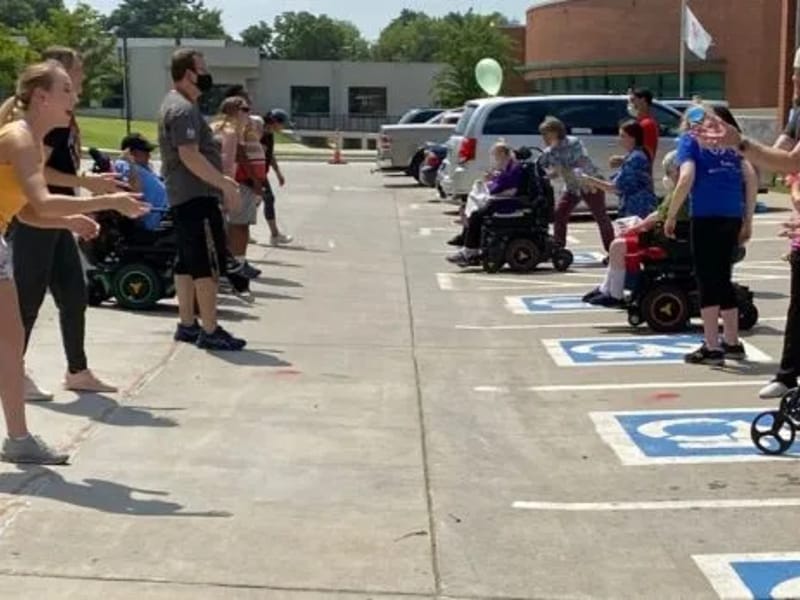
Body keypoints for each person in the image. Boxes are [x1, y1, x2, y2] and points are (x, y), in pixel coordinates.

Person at [0, 61, 148, 463]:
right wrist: (108, 200)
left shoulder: (31, 139)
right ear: (42, 97)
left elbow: (26, 210)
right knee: (7, 347)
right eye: (67, 89)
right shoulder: (21, 137)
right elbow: (43, 201)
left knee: (9, 347)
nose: (75, 97)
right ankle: (18, 439)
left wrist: (68, 220)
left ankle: (18, 440)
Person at [10, 47, 123, 400]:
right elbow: (38, 189)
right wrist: (100, 197)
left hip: (48, 216)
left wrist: (73, 214)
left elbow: (33, 203)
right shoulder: (26, 130)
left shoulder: (49, 126)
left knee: (72, 294)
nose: (82, 84)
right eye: (73, 79)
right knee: (24, 302)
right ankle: (15, 374)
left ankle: (74, 371)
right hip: (42, 214)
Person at [697, 47, 800, 395]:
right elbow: (775, 160)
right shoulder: (797, 113)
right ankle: (787, 376)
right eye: (794, 73)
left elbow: (788, 163)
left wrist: (738, 141)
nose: (794, 80)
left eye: (799, 74)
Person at [158, 48, 246, 351]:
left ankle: (187, 323)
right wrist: (224, 184)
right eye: (202, 69)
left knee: (186, 261)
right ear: (188, 73)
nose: (206, 74)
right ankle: (209, 328)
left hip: (185, 195)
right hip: (195, 196)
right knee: (204, 264)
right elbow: (189, 155)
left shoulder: (179, 105)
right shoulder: (182, 109)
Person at [665, 105, 758, 366]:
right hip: (731, 215)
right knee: (724, 277)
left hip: (706, 215)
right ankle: (732, 341)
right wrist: (747, 219)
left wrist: (671, 214)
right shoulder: (730, 142)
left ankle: (712, 345)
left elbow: (686, 177)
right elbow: (750, 178)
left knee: (706, 278)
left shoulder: (689, 141)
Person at [584, 150, 689, 307]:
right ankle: (606, 289)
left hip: (670, 241)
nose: (667, 176)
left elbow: (657, 217)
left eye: (669, 171)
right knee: (619, 242)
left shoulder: (681, 193)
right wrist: (638, 226)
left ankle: (615, 294)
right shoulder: (677, 191)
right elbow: (657, 214)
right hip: (668, 237)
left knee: (618, 245)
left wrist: (636, 228)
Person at [539, 116, 615, 252]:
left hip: (589, 183)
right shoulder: (549, 151)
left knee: (601, 216)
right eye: (543, 134)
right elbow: (550, 169)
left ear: (556, 131)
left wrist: (559, 166)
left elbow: (578, 162)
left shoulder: (573, 142)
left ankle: (612, 250)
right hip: (572, 187)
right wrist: (546, 175)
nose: (544, 137)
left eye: (546, 133)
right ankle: (559, 248)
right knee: (560, 214)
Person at [446, 141, 524, 267]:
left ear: (503, 153)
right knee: (471, 208)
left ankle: (469, 250)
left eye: (496, 154)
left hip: (507, 202)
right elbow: (499, 181)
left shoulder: (514, 168)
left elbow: (506, 186)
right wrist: (492, 178)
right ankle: (466, 240)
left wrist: (493, 181)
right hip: (501, 197)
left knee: (477, 214)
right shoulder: (507, 166)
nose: (494, 158)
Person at [222, 85, 265, 278]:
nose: (249, 108)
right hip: (242, 180)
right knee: (238, 225)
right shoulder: (231, 129)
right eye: (244, 106)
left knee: (243, 224)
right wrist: (254, 179)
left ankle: (238, 262)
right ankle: (235, 266)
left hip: (247, 180)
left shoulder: (245, 125)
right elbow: (238, 154)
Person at [580, 120, 658, 220]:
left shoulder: (635, 158)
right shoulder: (636, 155)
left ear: (632, 138)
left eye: (623, 136)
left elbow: (614, 188)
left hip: (638, 211)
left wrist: (589, 180)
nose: (619, 139)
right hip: (638, 209)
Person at [113, 133, 169, 231]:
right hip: (158, 215)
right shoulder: (124, 165)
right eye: (145, 151)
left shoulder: (143, 166)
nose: (149, 155)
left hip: (167, 209)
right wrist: (131, 163)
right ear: (130, 153)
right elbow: (134, 191)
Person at [261, 109, 293, 245]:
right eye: (282, 124)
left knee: (254, 202)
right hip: (255, 174)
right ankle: (274, 235)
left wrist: (278, 172)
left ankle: (245, 229)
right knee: (268, 199)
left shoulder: (269, 135)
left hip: (261, 172)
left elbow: (270, 155)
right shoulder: (260, 134)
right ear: (274, 122)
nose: (283, 127)